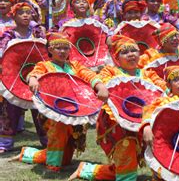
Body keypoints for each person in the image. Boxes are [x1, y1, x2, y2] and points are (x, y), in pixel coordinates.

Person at [68, 35, 166, 181]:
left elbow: (162, 88)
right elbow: (101, 81)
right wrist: (102, 87)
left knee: (155, 145)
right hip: (116, 121)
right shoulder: (110, 71)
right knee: (126, 145)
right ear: (116, 57)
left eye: (134, 50)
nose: (131, 54)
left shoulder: (147, 74)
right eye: (125, 52)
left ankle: (89, 170)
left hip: (143, 119)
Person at [10, 32, 108, 172]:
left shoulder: (75, 66)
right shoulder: (44, 65)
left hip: (75, 110)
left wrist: (100, 86)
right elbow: (34, 73)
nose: (63, 52)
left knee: (66, 158)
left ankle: (28, 153)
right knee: (58, 132)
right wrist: (32, 79)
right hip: (53, 111)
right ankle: (53, 165)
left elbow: (89, 75)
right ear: (50, 50)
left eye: (66, 48)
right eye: (58, 48)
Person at [0, 3, 46, 153]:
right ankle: (5, 143)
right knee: (10, 109)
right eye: (21, 13)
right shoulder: (8, 35)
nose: (26, 15)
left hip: (35, 76)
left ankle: (47, 140)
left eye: (28, 12)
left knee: (40, 108)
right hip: (14, 77)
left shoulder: (37, 34)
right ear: (14, 16)